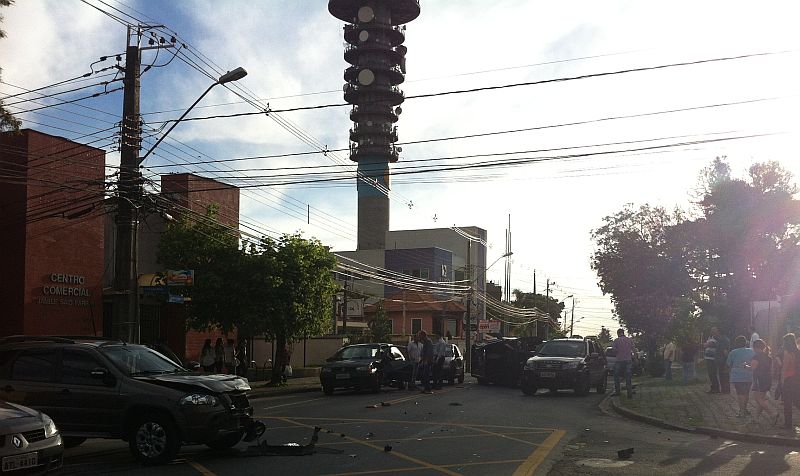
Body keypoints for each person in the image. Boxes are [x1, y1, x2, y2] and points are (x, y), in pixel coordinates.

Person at [726, 335, 755, 417]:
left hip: (737, 376)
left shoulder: (733, 352)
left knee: (740, 394)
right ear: (745, 342)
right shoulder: (752, 351)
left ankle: (741, 412)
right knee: (746, 393)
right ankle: (744, 409)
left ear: (736, 343)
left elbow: (728, 364)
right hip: (749, 375)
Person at [747, 339, 775, 423]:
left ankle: (773, 414)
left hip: (759, 380)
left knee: (758, 399)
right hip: (767, 379)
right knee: (761, 399)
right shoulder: (768, 357)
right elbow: (771, 370)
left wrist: (745, 366)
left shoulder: (756, 356)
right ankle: (755, 418)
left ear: (755, 347)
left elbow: (753, 368)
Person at [778, 333, 799, 430]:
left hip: (788, 379)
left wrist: (781, 381)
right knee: (796, 401)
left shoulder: (787, 353)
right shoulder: (797, 352)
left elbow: (784, 368)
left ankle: (788, 424)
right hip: (796, 379)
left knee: (787, 402)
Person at [610, 328, 634, 398]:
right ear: (623, 333)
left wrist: (618, 351)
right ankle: (629, 393)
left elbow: (614, 350)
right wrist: (636, 358)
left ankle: (618, 391)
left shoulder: (616, 340)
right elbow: (634, 349)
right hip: (628, 360)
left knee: (616, 376)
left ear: (618, 333)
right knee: (628, 377)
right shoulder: (629, 340)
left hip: (619, 360)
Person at [715, 328, 731, 394]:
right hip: (722, 359)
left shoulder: (723, 340)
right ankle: (725, 390)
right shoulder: (723, 339)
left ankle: (725, 390)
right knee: (724, 375)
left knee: (723, 375)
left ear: (719, 332)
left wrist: (727, 361)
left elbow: (725, 351)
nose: (716, 332)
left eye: (717, 331)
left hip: (722, 360)